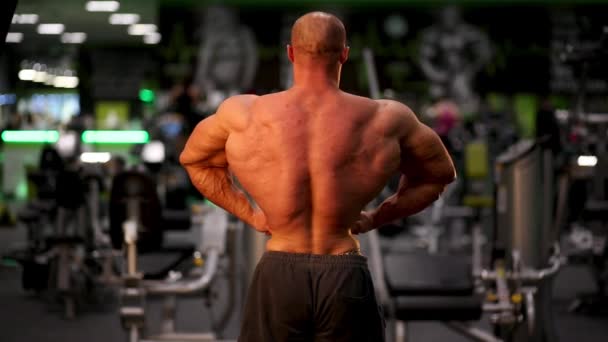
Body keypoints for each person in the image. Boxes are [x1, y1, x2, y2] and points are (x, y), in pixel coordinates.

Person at [180, 12, 456, 342]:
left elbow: (194, 161)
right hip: (344, 269)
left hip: (279, 270)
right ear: (344, 54)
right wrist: (378, 217)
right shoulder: (386, 119)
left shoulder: (244, 114)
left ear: (291, 53)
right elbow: (438, 175)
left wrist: (250, 214)